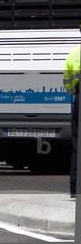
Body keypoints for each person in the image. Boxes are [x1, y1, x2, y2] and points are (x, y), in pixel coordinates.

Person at [63, 33, 81, 198]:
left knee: (77, 146)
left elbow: (67, 84)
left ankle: (75, 189)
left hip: (79, 99)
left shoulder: (74, 53)